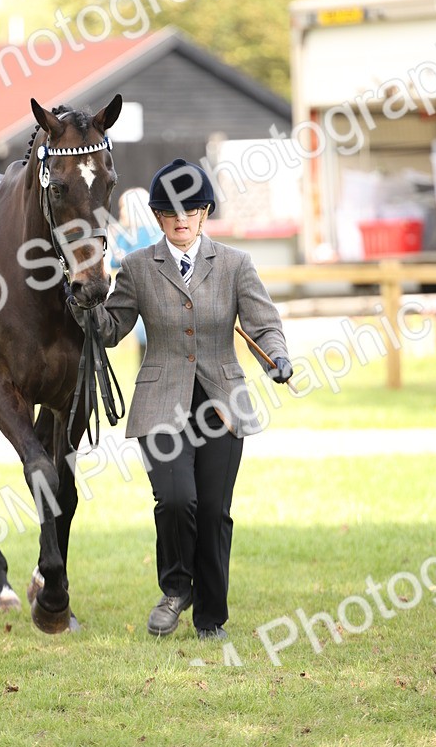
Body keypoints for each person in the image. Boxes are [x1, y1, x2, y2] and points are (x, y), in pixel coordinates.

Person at [71, 158, 293, 640]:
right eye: (170, 211)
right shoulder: (136, 267)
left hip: (221, 403)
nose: (181, 219)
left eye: (191, 209)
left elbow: (264, 324)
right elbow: (112, 330)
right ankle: (176, 589)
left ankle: (210, 617)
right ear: (157, 216)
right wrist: (85, 307)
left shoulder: (236, 265)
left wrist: (277, 356)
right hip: (160, 403)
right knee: (175, 499)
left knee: (213, 509)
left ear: (205, 212)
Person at [107, 187, 162, 357]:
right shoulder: (126, 233)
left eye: (124, 208)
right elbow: (114, 261)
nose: (121, 212)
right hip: (135, 292)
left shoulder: (152, 232)